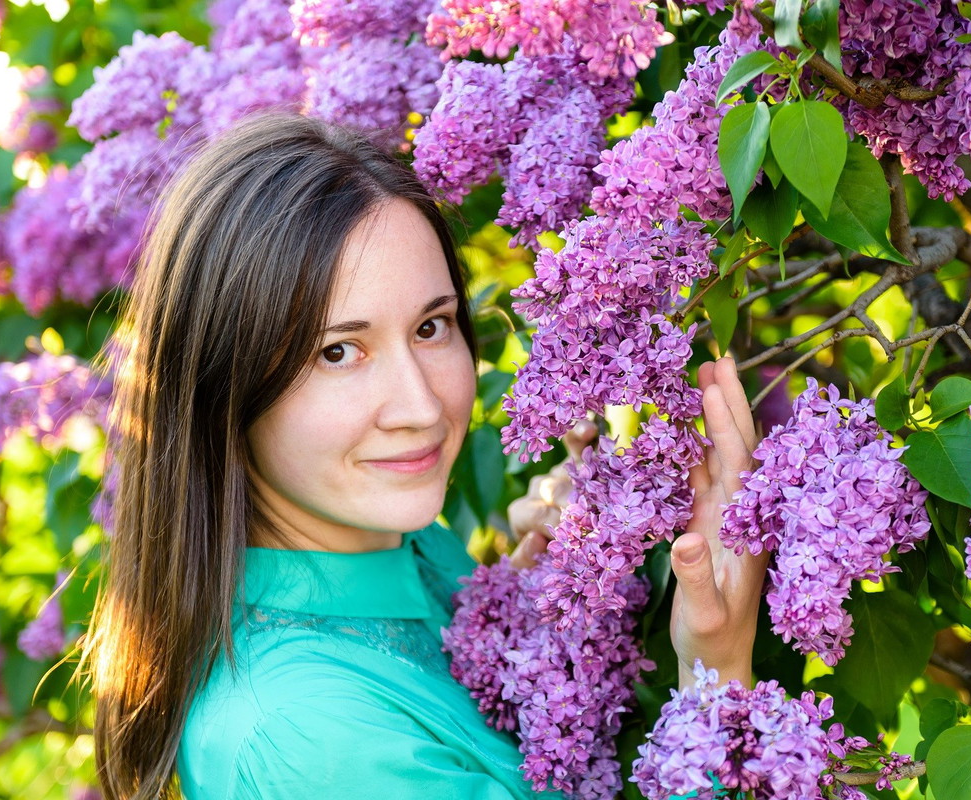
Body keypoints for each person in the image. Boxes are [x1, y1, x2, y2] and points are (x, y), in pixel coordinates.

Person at [82, 113, 766, 800]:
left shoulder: (405, 547)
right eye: (337, 352)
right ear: (223, 388)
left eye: (431, 327)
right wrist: (717, 670)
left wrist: (521, 601)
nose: (421, 407)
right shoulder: (308, 743)